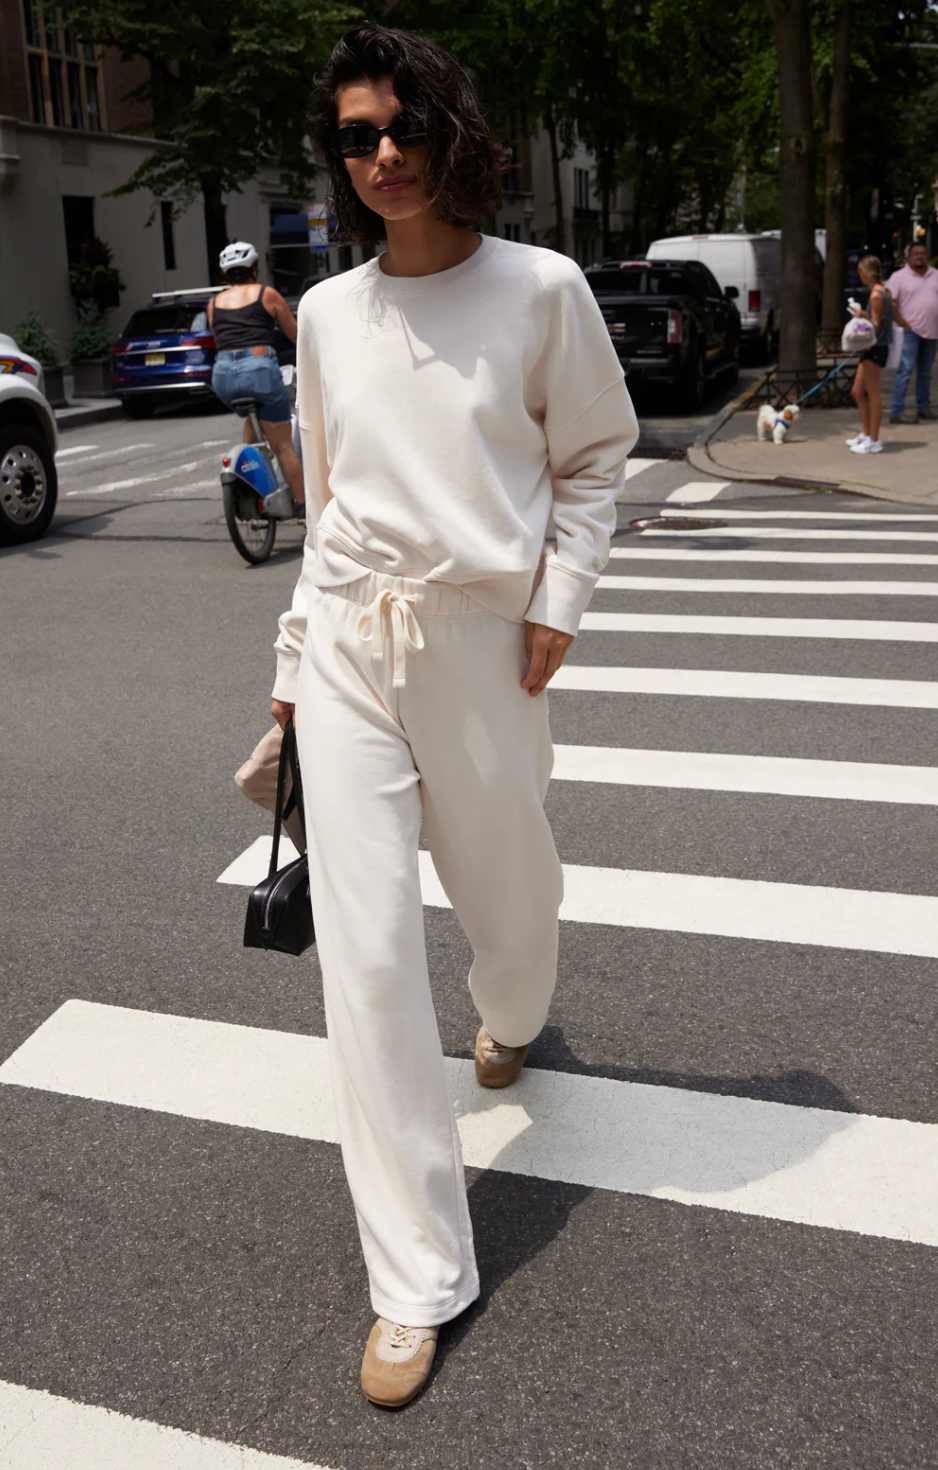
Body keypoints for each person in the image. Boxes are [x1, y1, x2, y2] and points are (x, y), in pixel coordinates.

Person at [268, 25, 638, 1409]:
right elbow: (326, 512)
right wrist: (291, 658)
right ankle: (415, 1274)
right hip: (350, 646)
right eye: (357, 137)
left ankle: (514, 1007)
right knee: (364, 960)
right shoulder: (326, 313)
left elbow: (594, 457)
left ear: (449, 130)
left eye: (403, 127)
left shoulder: (537, 289)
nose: (383, 156)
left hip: (485, 642)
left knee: (507, 891)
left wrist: (559, 600)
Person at [208, 243, 305, 510]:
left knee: (254, 412)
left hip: (223, 375)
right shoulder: (267, 294)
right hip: (259, 370)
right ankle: (303, 506)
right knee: (283, 446)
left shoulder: (214, 304)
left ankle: (246, 473)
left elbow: (221, 340)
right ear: (254, 269)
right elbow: (297, 336)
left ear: (226, 273)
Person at [846, 254, 892, 455]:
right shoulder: (879, 292)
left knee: (873, 394)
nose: (859, 275)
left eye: (860, 271)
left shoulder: (876, 296)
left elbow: (875, 326)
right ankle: (867, 434)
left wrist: (863, 316)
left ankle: (874, 440)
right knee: (857, 392)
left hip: (875, 347)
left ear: (866, 272)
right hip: (872, 348)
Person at [887, 239, 938, 424]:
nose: (919, 257)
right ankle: (897, 411)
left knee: (925, 373)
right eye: (915, 254)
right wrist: (901, 322)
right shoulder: (898, 277)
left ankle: (923, 407)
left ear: (927, 256)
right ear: (908, 257)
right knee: (905, 371)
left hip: (932, 331)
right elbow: (889, 302)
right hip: (909, 332)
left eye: (922, 253)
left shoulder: (935, 275)